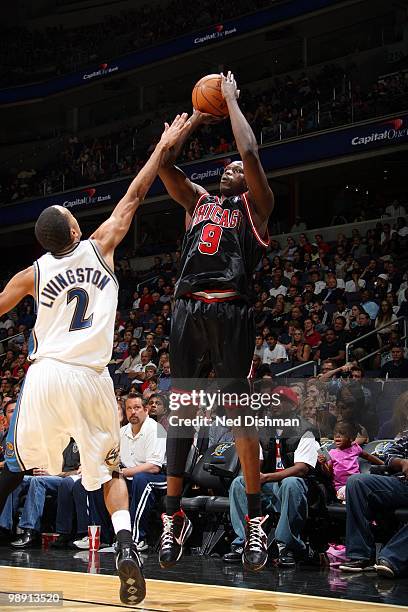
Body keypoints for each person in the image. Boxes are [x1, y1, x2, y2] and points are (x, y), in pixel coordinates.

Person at [0, 114, 189, 605]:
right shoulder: (100, 245)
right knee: (107, 475)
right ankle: (126, 548)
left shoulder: (31, 273)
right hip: (91, 378)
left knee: (14, 466)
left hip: (44, 378)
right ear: (75, 228)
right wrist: (163, 146)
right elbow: (135, 193)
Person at [157, 71, 274, 572]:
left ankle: (255, 522)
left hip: (231, 310)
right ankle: (172, 515)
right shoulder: (198, 202)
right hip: (187, 307)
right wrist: (198, 118)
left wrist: (229, 101)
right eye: (222, 167)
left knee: (239, 415)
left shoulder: (256, 207)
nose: (229, 168)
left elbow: (249, 153)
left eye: (234, 169)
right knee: (181, 414)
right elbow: (164, 163)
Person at [339, 433, 408, 577]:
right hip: (402, 483)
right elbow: (388, 454)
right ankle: (361, 556)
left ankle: (391, 558)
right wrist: (402, 462)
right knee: (356, 482)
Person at [318, 422, 382, 502]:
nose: (337, 436)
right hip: (341, 488)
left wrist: (383, 463)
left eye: (342, 433)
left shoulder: (355, 448)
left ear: (351, 438)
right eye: (335, 434)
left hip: (357, 483)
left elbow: (367, 456)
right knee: (353, 494)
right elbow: (328, 473)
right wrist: (323, 463)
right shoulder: (332, 453)